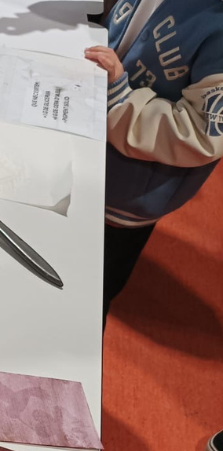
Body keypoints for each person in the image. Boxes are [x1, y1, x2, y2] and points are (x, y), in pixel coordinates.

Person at [84, 0, 223, 323]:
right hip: (92, 147)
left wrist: (119, 99)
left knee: (88, 295)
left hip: (126, 193)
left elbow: (203, 134)